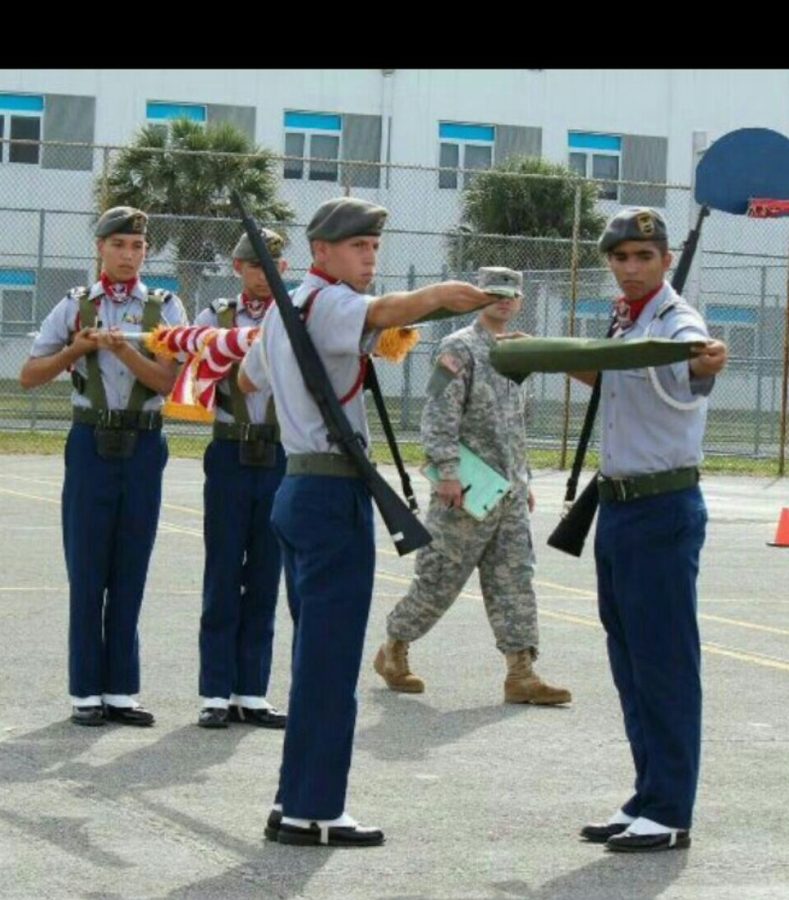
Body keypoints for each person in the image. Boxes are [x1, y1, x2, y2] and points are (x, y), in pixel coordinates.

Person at [255, 196, 494, 847]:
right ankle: (314, 809)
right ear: (322, 252)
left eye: (374, 249)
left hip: (299, 485)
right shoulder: (327, 304)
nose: (369, 258)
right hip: (330, 497)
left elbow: (250, 378)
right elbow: (385, 312)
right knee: (329, 665)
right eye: (358, 248)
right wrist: (444, 295)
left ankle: (293, 797)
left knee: (315, 660)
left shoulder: (284, 311)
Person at [575, 207, 728, 852]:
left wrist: (705, 364)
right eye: (621, 257)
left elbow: (696, 363)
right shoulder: (626, 318)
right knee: (630, 663)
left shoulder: (675, 321)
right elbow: (616, 379)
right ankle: (647, 794)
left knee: (663, 665)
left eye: (645, 257)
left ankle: (669, 811)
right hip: (619, 508)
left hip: (661, 509)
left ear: (667, 260)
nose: (632, 268)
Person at [19, 206, 187, 727]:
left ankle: (121, 690)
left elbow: (167, 383)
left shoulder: (165, 307)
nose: (129, 255)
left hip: (143, 442)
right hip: (91, 441)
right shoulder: (75, 306)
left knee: (130, 567)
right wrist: (76, 349)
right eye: (119, 245)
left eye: (137, 247)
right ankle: (85, 691)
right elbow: (29, 375)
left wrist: (124, 352)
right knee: (88, 568)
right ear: (100, 248)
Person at [374, 267, 571, 706]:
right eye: (494, 293)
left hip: (509, 492)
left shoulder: (514, 352)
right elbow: (438, 414)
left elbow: (513, 425)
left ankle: (521, 672)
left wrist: (525, 480)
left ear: (520, 300)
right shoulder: (458, 348)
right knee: (439, 580)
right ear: (479, 298)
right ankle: (394, 648)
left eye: (511, 294)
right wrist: (446, 472)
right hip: (465, 490)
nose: (503, 301)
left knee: (515, 580)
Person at [195, 228, 294, 730]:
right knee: (223, 572)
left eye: (273, 264)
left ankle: (251, 690)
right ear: (238, 268)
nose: (264, 274)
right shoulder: (216, 317)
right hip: (231, 449)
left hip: (279, 452)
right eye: (256, 265)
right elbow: (197, 373)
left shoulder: (294, 315)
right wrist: (232, 348)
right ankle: (214, 690)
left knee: (264, 574)